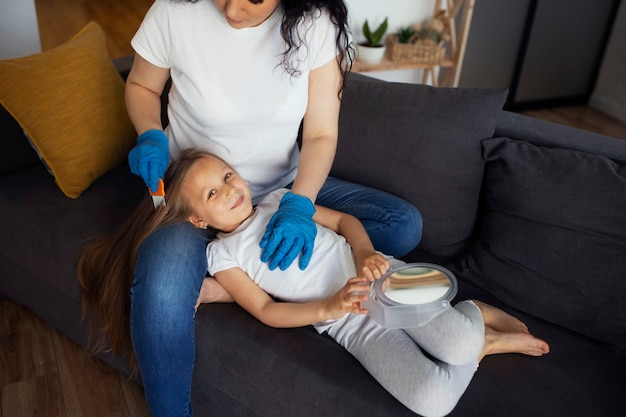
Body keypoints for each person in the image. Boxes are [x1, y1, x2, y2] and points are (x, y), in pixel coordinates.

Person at [78, 150, 549, 417]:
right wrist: (330, 309)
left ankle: (474, 317)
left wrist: (367, 255)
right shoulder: (221, 256)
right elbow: (265, 310)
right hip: (352, 325)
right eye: (213, 193)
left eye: (226, 174)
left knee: (456, 340)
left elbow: (345, 222)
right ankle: (481, 342)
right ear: (197, 219)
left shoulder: (280, 199)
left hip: (383, 278)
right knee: (434, 402)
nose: (230, 188)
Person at [123, 1, 422, 415]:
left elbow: (319, 134)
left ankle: (236, 280)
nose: (231, 10)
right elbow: (142, 86)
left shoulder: (314, 25)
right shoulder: (175, 10)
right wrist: (149, 133)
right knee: (161, 292)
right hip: (193, 201)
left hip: (281, 189)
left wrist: (300, 203)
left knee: (402, 224)